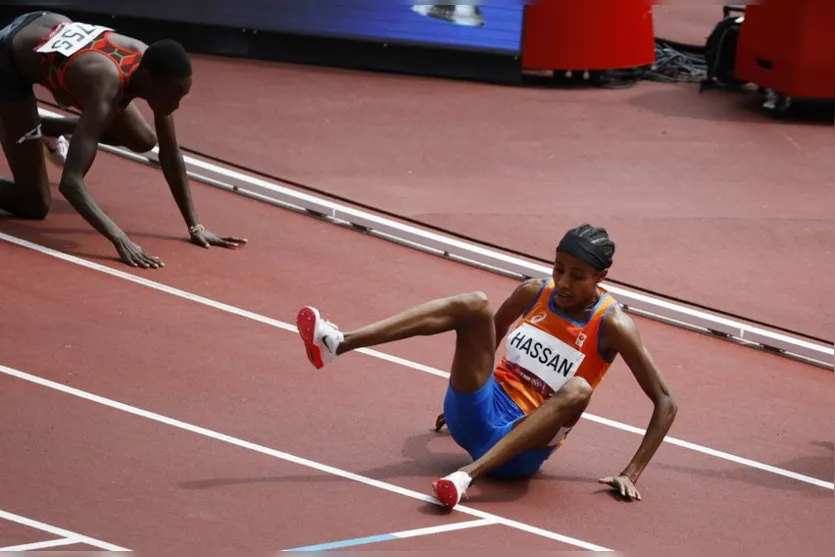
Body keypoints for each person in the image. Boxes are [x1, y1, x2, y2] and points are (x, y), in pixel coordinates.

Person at [296, 224, 678, 509]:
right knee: (475, 303)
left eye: (577, 276)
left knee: (579, 390)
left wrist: (631, 472)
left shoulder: (612, 325)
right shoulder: (535, 292)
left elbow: (665, 400)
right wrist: (472, 387)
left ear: (601, 278)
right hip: (478, 412)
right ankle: (338, 343)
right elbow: (491, 333)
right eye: (559, 268)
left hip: (519, 452)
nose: (562, 282)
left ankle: (465, 478)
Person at [0, 11, 246, 268]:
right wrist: (118, 238)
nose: (176, 104)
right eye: (174, 96)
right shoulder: (106, 86)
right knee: (34, 205)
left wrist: (196, 226)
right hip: (8, 61)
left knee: (143, 140)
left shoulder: (154, 63)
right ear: (149, 80)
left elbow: (170, 154)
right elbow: (71, 183)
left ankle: (46, 127)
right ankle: (22, 123)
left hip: (44, 22)